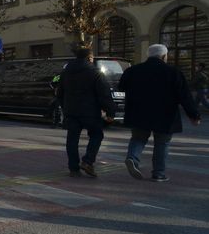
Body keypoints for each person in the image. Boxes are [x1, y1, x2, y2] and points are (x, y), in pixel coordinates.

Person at [120, 44, 201, 182]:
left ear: (148, 55)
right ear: (164, 56)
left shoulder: (133, 71)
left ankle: (132, 158)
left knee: (138, 138)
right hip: (165, 114)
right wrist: (194, 115)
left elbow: (121, 86)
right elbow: (185, 96)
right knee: (162, 143)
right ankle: (158, 173)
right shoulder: (173, 72)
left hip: (139, 112)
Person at [56, 47, 116, 178]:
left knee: (72, 139)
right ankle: (88, 161)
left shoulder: (65, 72)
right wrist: (110, 112)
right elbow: (104, 94)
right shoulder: (95, 72)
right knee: (96, 135)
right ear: (89, 58)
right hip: (90, 112)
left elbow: (59, 93)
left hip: (71, 111)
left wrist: (65, 107)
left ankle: (73, 168)